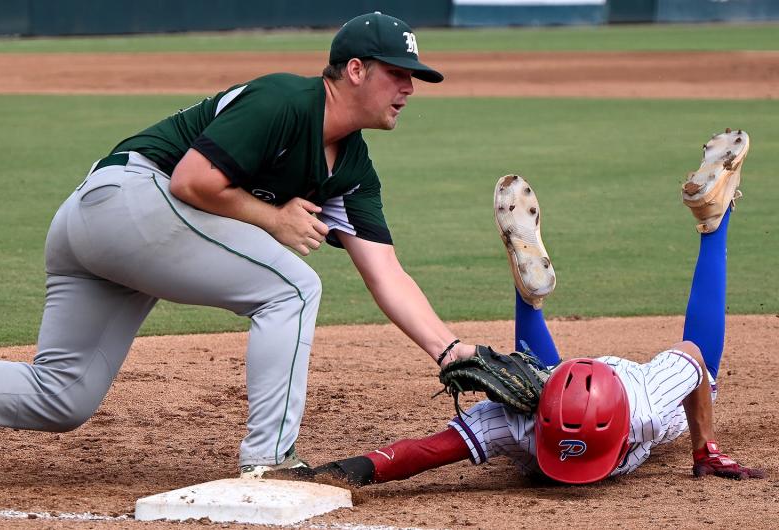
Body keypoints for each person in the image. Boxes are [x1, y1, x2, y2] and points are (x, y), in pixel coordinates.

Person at [0, 12, 495, 489]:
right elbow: (190, 180)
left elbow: (386, 271)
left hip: (109, 229)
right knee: (292, 286)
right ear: (355, 70)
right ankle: (269, 461)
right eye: (397, 73)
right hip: (128, 200)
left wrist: (448, 348)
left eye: (413, 77)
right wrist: (272, 218)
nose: (409, 87)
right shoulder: (284, 100)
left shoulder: (351, 167)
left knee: (60, 397)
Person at [271, 129, 764, 487]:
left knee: (552, 377)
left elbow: (424, 452)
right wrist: (704, 450)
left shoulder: (631, 409)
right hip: (562, 389)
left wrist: (706, 447)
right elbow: (692, 357)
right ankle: (712, 221)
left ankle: (530, 297)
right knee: (547, 380)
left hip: (584, 386)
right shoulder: (559, 414)